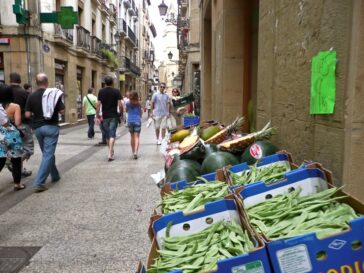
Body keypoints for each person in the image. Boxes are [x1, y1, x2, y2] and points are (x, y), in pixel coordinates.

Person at [25, 73, 65, 193]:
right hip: (51, 127)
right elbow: (62, 111)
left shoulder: (31, 96)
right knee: (48, 154)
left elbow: (27, 114)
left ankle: (55, 175)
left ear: (36, 83)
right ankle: (39, 183)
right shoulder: (52, 95)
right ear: (47, 82)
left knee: (47, 153)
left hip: (38, 129)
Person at [0, 84, 26, 191]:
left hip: (1, 136)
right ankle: (17, 184)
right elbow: (18, 122)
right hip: (13, 135)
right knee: (16, 160)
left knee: (1, 159)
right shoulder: (15, 106)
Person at [9, 72, 33, 177]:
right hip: (23, 124)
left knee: (15, 149)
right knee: (28, 148)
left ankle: (19, 170)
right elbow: (29, 112)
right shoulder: (24, 93)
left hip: (8, 125)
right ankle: (14, 164)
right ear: (19, 80)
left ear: (10, 80)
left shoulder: (5, 91)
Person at [96, 75, 123, 161]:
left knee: (108, 135)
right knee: (112, 134)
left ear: (105, 83)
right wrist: (121, 114)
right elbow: (120, 104)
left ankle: (110, 151)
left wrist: (97, 114)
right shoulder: (116, 91)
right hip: (114, 116)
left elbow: (98, 104)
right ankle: (110, 153)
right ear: (112, 82)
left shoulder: (101, 91)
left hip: (105, 116)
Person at [125, 91, 142, 159]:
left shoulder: (128, 103)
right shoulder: (139, 103)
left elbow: (126, 111)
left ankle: (133, 152)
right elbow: (141, 113)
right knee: (137, 137)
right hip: (137, 120)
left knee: (132, 137)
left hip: (130, 121)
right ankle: (135, 152)